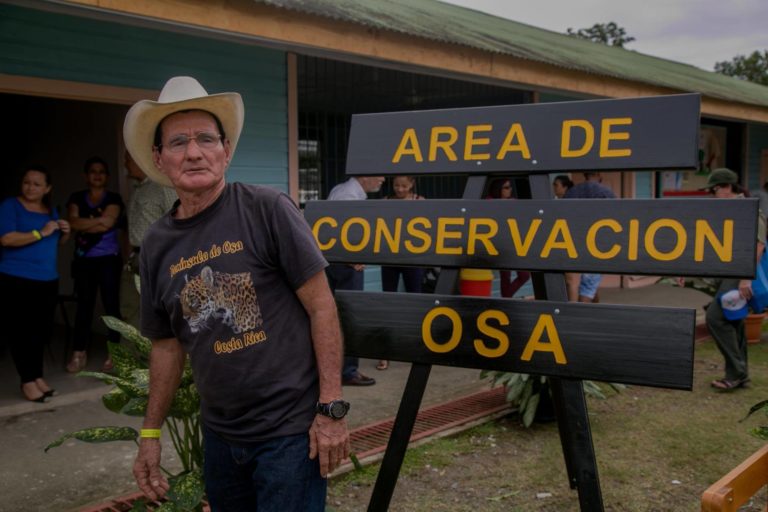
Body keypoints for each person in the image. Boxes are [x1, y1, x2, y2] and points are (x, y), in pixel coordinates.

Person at [123, 76, 349, 510]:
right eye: (178, 142)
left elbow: (322, 308)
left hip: (289, 432)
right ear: (159, 157)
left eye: (206, 138)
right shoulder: (156, 244)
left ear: (225, 150)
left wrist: (331, 409)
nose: (194, 152)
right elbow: (167, 346)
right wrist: (150, 435)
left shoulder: (267, 209)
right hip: (220, 438)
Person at [0, 166, 70, 402]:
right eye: (27, 182)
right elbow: (7, 238)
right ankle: (27, 381)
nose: (30, 187)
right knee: (21, 331)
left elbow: (56, 242)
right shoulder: (10, 206)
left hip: (47, 279)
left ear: (47, 188)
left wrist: (65, 233)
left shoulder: (50, 210)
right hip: (17, 278)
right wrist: (40, 232)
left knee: (40, 332)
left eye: (36, 184)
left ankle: (37, 376)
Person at [703, 168, 765, 390]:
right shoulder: (727, 209)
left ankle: (735, 372)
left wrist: (745, 279)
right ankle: (741, 374)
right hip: (730, 273)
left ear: (727, 187)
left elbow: (758, 245)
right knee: (733, 320)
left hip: (740, 274)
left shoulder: (748, 208)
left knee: (715, 318)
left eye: (714, 189)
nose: (712, 194)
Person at [66, 157, 125, 373]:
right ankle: (79, 353)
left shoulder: (114, 198)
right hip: (84, 260)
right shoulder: (76, 197)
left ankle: (115, 353)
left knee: (111, 306)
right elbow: (73, 223)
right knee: (84, 305)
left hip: (108, 259)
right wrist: (98, 221)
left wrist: (85, 223)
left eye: (101, 171)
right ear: (86, 175)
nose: (97, 174)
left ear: (107, 176)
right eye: (93, 171)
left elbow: (109, 222)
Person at [326, 174, 384, 385]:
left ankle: (337, 370)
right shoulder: (348, 196)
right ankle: (348, 371)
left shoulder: (342, 190)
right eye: (378, 175)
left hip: (339, 263)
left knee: (337, 317)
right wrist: (351, 257)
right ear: (365, 175)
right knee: (351, 316)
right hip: (346, 265)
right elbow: (337, 229)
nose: (382, 179)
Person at [120, 151, 177, 328]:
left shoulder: (163, 187)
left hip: (157, 260)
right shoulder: (138, 189)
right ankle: (130, 354)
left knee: (158, 313)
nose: (125, 165)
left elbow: (178, 222)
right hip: (135, 259)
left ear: (139, 160)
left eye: (128, 160)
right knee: (130, 309)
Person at [378, 176, 424, 370]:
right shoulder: (385, 202)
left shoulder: (420, 201)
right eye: (396, 185)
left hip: (413, 257)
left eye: (404, 186)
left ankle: (416, 347)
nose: (400, 189)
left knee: (415, 300)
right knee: (388, 300)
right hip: (389, 257)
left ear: (412, 184)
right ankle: (385, 352)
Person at [563, 172, 616, 302]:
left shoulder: (571, 193)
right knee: (589, 285)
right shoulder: (607, 193)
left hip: (574, 243)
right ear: (599, 175)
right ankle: (582, 317)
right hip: (597, 245)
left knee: (588, 282)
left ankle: (592, 309)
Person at [487, 178, 531, 298]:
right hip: (500, 243)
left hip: (514, 242)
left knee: (524, 275)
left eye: (510, 187)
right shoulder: (490, 201)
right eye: (506, 188)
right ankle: (506, 298)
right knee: (505, 276)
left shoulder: (512, 201)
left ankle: (506, 297)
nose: (510, 190)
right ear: (498, 189)